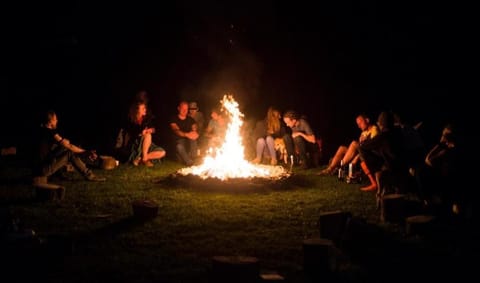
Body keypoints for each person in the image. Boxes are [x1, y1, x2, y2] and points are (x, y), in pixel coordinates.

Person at [32, 110, 106, 182]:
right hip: (44, 169)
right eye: (55, 119)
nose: (57, 121)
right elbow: (69, 146)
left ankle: (59, 174)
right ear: (50, 121)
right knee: (69, 153)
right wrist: (86, 152)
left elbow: (64, 145)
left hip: (37, 168)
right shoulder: (50, 132)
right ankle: (90, 175)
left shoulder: (42, 130)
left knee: (63, 148)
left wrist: (64, 144)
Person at [318, 113, 380, 191]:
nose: (359, 126)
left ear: (367, 120)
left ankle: (339, 167)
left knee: (354, 143)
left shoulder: (374, 130)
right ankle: (330, 169)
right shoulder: (364, 132)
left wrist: (357, 156)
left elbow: (372, 147)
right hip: (360, 153)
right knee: (342, 148)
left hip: (368, 155)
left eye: (360, 123)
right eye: (358, 124)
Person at [124, 100, 166, 167]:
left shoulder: (145, 120)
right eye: (143, 108)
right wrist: (141, 133)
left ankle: (142, 158)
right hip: (137, 144)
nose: (145, 110)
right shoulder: (131, 121)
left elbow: (154, 129)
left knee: (163, 152)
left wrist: (151, 130)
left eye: (145, 108)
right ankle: (143, 159)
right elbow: (131, 134)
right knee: (148, 135)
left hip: (146, 144)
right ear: (137, 110)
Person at [169, 101, 199, 166]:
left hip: (188, 141)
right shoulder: (173, 119)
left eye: (186, 109)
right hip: (179, 142)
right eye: (183, 108)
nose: (185, 110)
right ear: (179, 108)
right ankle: (189, 162)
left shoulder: (191, 119)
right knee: (179, 146)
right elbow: (176, 130)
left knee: (193, 139)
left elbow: (194, 128)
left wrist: (194, 133)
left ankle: (193, 158)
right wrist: (186, 134)